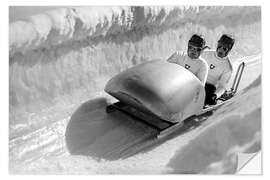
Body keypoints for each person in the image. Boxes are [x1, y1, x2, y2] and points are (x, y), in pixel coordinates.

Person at [202, 34, 234, 106]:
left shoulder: (227, 67)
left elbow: (222, 86)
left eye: (224, 48)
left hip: (209, 88)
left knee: (205, 94)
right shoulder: (206, 54)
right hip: (197, 81)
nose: (221, 50)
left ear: (229, 50)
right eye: (219, 46)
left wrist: (215, 95)